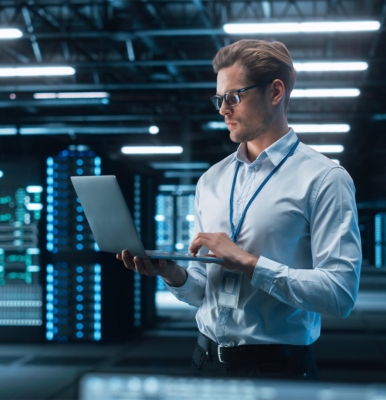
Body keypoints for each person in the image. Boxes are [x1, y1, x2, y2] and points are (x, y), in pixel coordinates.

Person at [117, 39, 362, 379]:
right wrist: (173, 274)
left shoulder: (324, 179)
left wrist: (249, 263)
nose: (222, 110)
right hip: (204, 362)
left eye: (233, 97)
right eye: (219, 99)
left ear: (275, 92)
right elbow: (203, 291)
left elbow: (340, 294)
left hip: (277, 371)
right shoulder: (211, 180)